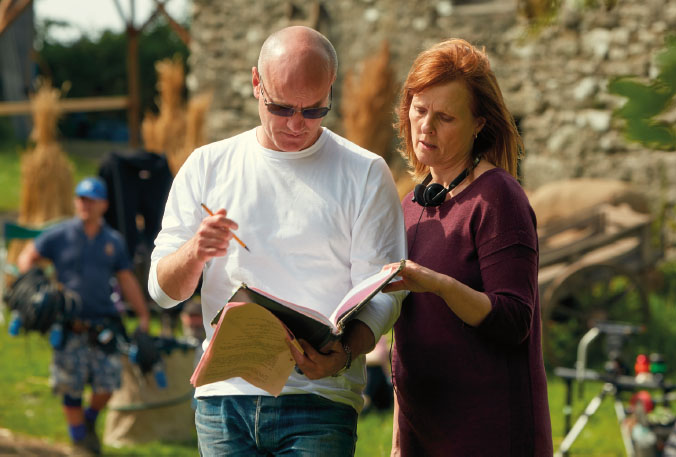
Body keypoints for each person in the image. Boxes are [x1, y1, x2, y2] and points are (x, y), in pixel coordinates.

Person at [148, 26, 406, 456]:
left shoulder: (364, 172)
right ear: (256, 84)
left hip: (319, 399)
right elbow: (162, 292)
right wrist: (195, 251)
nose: (296, 123)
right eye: (282, 106)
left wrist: (340, 355)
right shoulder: (208, 166)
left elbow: (383, 294)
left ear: (331, 89)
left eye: (314, 109)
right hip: (223, 400)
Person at [382, 38, 553, 456]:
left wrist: (438, 285)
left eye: (445, 117)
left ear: (479, 124)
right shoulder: (409, 204)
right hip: (422, 433)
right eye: (419, 110)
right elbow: (405, 341)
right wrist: (398, 441)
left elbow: (514, 320)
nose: (426, 126)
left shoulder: (499, 197)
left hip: (489, 434)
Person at [18, 176, 151, 456]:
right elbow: (28, 254)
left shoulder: (112, 240)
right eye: (80, 199)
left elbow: (126, 279)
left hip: (104, 324)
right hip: (68, 325)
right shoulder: (61, 233)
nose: (84, 205)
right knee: (70, 386)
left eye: (91, 200)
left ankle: (89, 420)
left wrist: (142, 315)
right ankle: (80, 441)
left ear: (103, 204)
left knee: (108, 383)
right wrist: (34, 284)